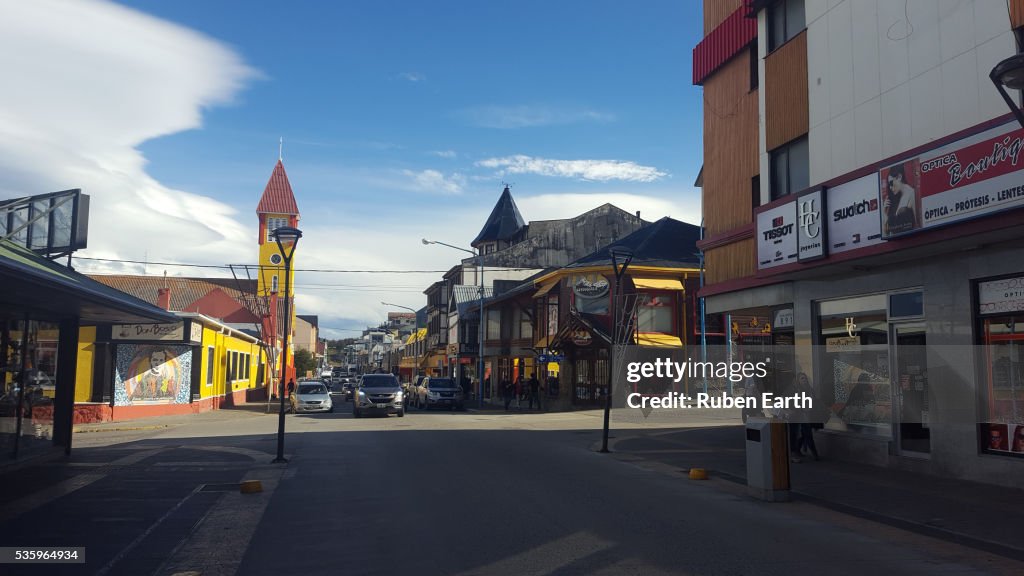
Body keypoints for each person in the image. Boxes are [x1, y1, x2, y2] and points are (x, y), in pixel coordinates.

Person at [882, 162, 917, 236]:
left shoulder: (911, 193)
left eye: (891, 183)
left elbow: (917, 225)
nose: (891, 188)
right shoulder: (896, 198)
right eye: (889, 185)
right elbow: (886, 233)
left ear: (899, 177)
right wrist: (884, 213)